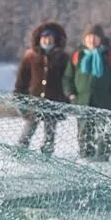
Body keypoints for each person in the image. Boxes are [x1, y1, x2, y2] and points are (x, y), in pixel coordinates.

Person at [14, 22, 71, 156]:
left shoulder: (63, 58)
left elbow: (67, 80)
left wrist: (66, 100)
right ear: (39, 39)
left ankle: (47, 157)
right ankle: (20, 153)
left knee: (50, 135)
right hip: (34, 101)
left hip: (54, 102)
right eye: (44, 37)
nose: (47, 40)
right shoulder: (30, 56)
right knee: (28, 130)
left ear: (55, 39)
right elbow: (21, 81)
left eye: (50, 37)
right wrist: (19, 98)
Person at [72, 25, 111, 160]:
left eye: (95, 37)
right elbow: (68, 77)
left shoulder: (110, 55)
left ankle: (102, 158)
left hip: (105, 101)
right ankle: (85, 157)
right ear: (84, 40)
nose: (91, 40)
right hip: (83, 101)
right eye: (88, 37)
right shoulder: (78, 56)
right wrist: (71, 94)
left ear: (100, 39)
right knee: (84, 132)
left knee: (105, 132)